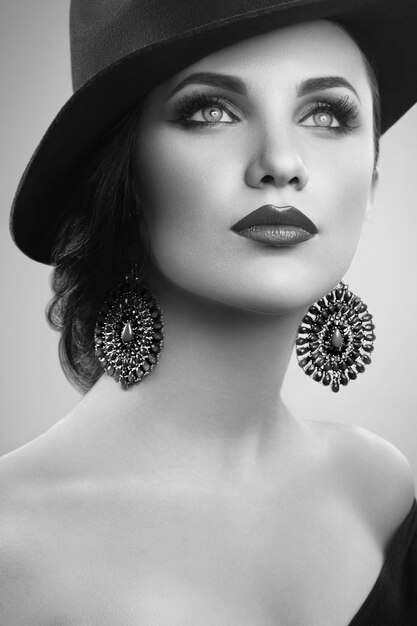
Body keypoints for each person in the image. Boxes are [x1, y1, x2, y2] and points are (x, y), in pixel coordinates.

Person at [1, 0, 416, 624]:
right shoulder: (12, 544)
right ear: (121, 174)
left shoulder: (379, 488)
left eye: (326, 113)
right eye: (211, 111)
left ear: (375, 181)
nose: (281, 161)